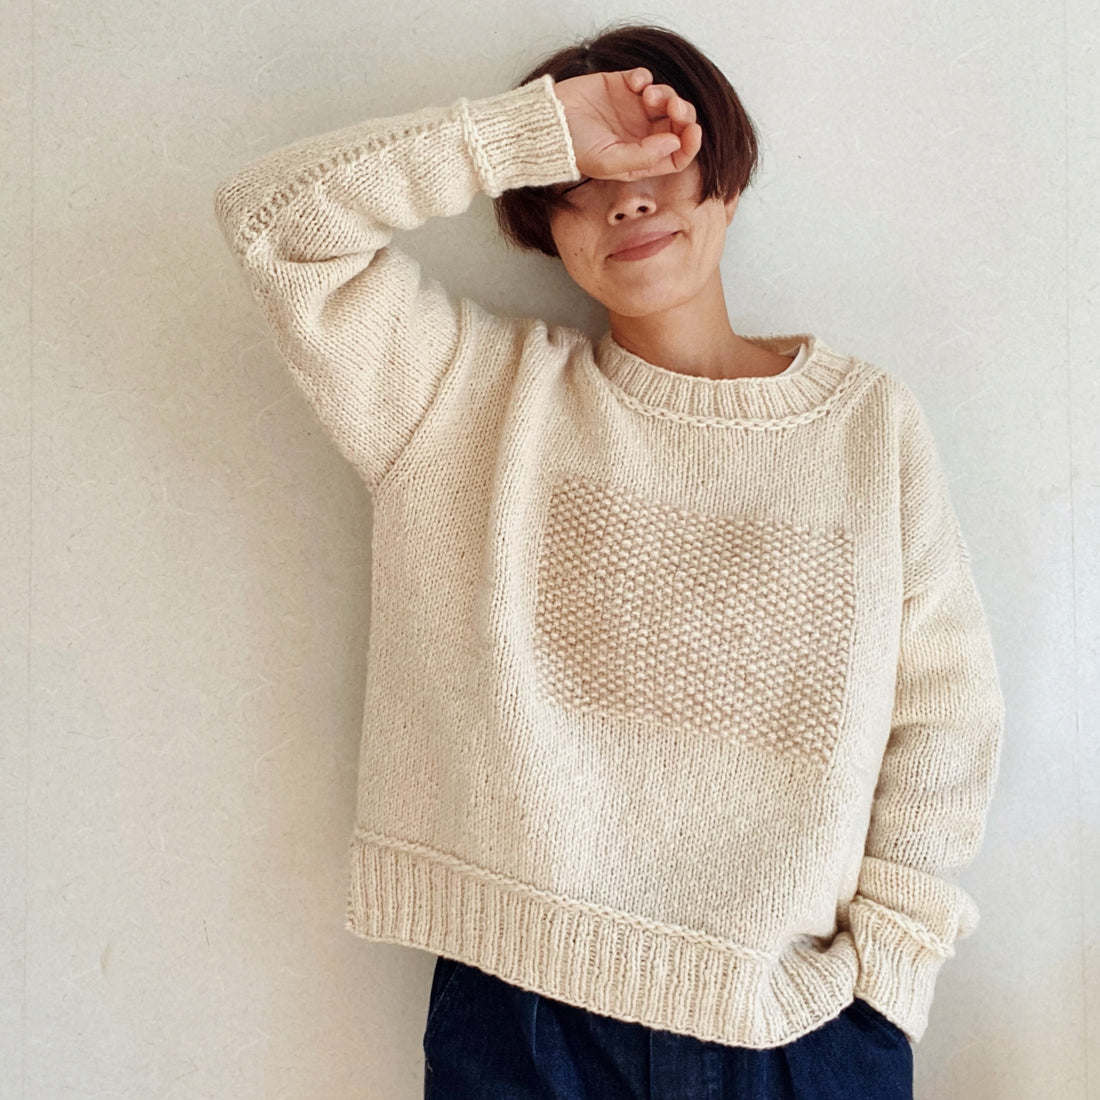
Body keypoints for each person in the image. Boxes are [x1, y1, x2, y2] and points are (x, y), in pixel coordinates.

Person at [213, 21, 1004, 1099]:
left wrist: (888, 979)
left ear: (728, 176)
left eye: (659, 158)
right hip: (523, 1015)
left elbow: (946, 713)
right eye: (580, 184)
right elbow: (274, 226)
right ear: (545, 226)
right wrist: (529, 132)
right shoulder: (463, 398)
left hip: (796, 1023)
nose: (624, 201)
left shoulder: (867, 426)